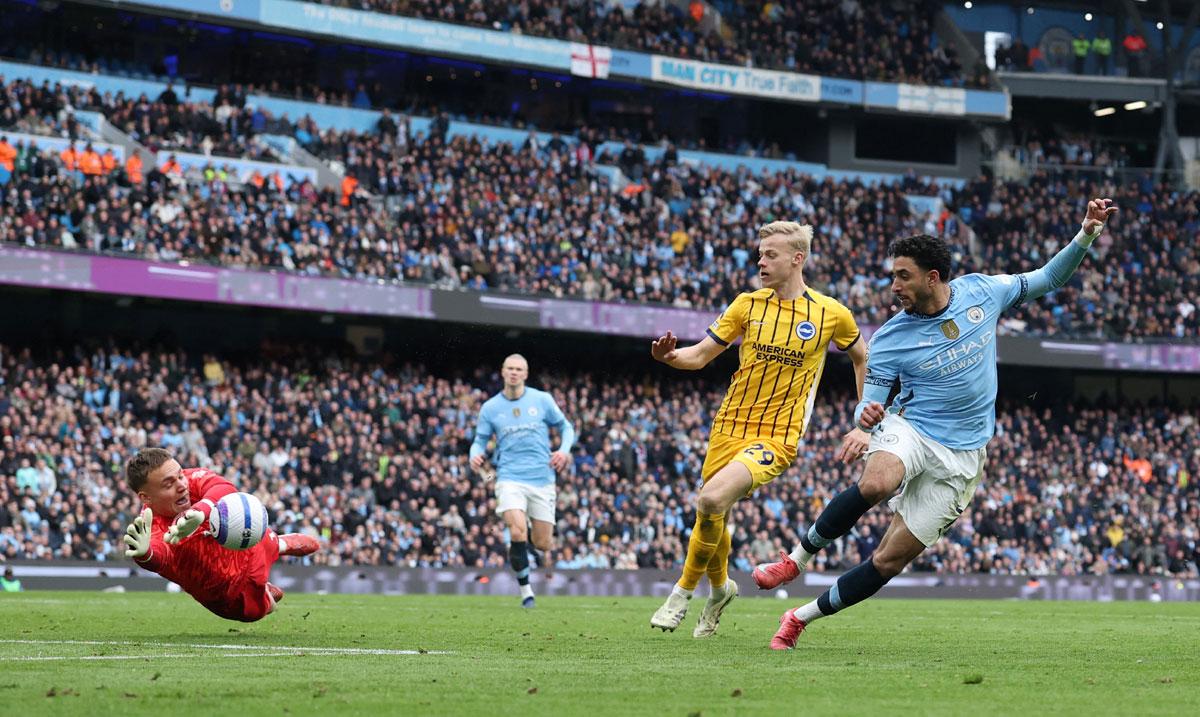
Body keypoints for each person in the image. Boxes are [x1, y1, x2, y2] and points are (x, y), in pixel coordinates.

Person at [757, 198, 1118, 650]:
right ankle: (796, 559)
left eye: (902, 276)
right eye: (892, 276)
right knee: (876, 483)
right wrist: (863, 420)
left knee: (887, 561)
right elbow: (868, 404)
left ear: (933, 277)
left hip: (963, 456)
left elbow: (1047, 279)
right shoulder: (890, 337)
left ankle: (798, 617)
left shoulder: (983, 292)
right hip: (912, 429)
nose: (894, 286)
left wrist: (1086, 233)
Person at [647, 221, 867, 637]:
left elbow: (861, 356)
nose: (760, 261)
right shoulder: (746, 305)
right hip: (727, 427)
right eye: (760, 253)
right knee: (714, 512)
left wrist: (864, 415)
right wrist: (669, 357)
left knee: (710, 498)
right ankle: (720, 591)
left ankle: (681, 593)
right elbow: (699, 356)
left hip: (777, 436)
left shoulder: (830, 313)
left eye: (771, 255)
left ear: (797, 259)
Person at [122, 447, 320, 622]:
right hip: (229, 594)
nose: (182, 485)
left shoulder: (191, 480)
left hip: (248, 544)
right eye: (168, 484)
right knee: (255, 611)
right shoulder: (151, 528)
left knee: (239, 509)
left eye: (180, 475)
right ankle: (267, 581)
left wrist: (201, 511)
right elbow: (159, 556)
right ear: (146, 497)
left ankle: (278, 544)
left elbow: (225, 488)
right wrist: (144, 554)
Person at [469, 354, 575, 608]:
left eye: (519, 369)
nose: (514, 373)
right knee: (516, 530)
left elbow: (566, 428)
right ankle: (526, 592)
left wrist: (564, 450)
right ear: (503, 372)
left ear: (525, 374)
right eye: (510, 368)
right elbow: (479, 441)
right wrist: (474, 455)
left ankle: (526, 531)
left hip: (542, 479)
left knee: (542, 543)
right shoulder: (491, 408)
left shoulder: (542, 400)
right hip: (508, 477)